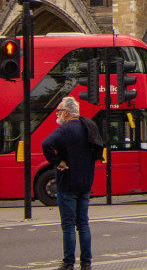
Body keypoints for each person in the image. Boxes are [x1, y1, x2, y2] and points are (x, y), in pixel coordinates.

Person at [41, 96, 104, 270]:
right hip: (85, 181)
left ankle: (68, 263)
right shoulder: (87, 126)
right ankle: (86, 263)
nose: (57, 114)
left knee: (68, 224)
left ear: (67, 113)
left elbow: (46, 144)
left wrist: (57, 161)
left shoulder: (65, 129)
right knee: (83, 223)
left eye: (59, 111)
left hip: (67, 182)